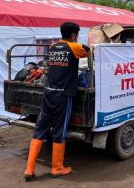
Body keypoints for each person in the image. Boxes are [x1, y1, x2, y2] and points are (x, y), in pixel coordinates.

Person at [24, 22, 90, 181]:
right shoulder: (74, 47)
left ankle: (29, 169)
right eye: (77, 35)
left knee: (40, 129)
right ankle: (57, 168)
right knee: (59, 130)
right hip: (63, 95)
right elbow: (89, 52)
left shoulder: (53, 47)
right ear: (74, 35)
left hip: (48, 93)